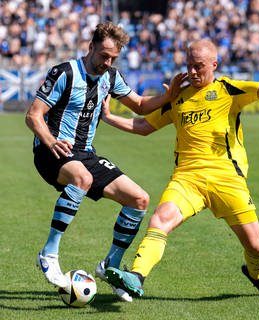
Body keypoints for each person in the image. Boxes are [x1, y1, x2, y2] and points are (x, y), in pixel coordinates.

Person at [102, 39, 259, 299]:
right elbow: (143, 127)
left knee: (255, 247)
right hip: (187, 179)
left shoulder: (228, 90)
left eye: (199, 66)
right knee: (159, 220)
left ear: (214, 65)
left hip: (227, 179)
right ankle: (136, 276)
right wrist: (109, 118)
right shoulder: (177, 97)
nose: (193, 72)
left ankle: (255, 275)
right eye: (189, 66)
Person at [25, 21, 185, 301]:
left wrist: (168, 96)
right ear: (91, 47)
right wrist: (51, 141)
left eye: (113, 58)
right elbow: (33, 115)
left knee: (140, 200)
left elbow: (140, 105)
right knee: (82, 179)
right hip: (51, 150)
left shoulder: (111, 76)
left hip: (85, 153)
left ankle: (110, 267)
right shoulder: (64, 72)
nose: (107, 63)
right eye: (104, 56)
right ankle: (49, 253)